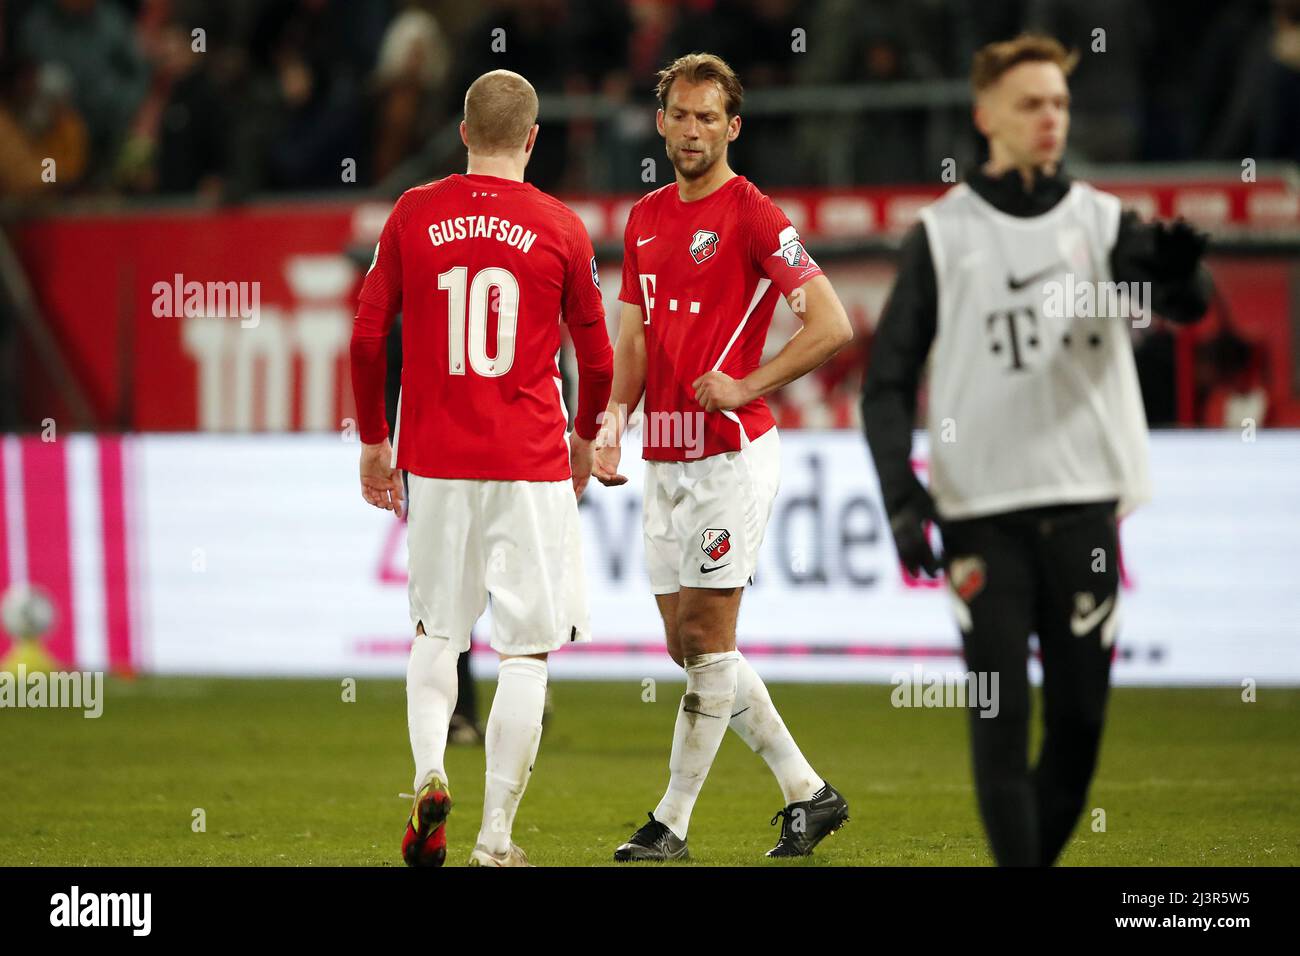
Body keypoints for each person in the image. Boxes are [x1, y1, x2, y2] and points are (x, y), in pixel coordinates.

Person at [860, 34, 1213, 866]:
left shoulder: (1098, 220)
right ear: (986, 116)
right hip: (982, 516)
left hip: (1085, 506)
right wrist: (901, 496)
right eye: (1031, 103)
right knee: (999, 718)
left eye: (1059, 102)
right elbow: (886, 381)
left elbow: (1187, 305)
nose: (1050, 118)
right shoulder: (944, 236)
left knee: (1083, 721)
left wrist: (1181, 273)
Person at [593, 53, 855, 861]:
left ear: (733, 127)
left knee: (707, 639)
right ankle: (810, 795)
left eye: (711, 117)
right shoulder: (643, 219)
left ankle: (669, 824)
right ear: (663, 122)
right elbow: (631, 333)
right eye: (682, 114)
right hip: (666, 457)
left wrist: (749, 384)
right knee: (690, 646)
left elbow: (832, 325)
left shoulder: (754, 216)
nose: (694, 129)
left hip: (731, 454)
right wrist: (612, 417)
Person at [350, 69, 613, 867]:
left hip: (435, 460)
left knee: (436, 632)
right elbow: (596, 358)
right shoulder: (563, 226)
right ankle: (496, 840)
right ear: (533, 139)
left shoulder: (412, 212)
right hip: (530, 462)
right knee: (526, 650)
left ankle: (432, 775)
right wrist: (586, 436)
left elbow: (366, 339)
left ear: (463, 133)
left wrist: (373, 439)